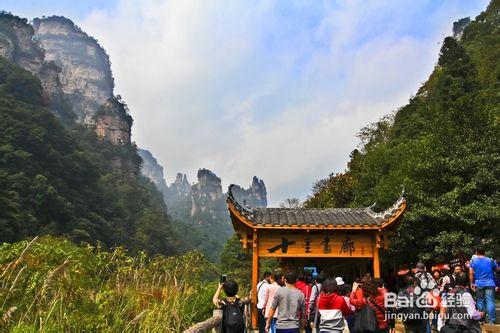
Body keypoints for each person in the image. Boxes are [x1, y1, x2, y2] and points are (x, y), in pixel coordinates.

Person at [469, 248, 498, 324]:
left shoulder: (473, 261)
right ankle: (492, 320)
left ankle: (482, 319)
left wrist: (471, 283)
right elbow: (497, 269)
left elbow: (471, 273)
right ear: (484, 252)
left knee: (480, 301)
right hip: (490, 283)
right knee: (490, 301)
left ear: (476, 252)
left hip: (479, 283)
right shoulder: (490, 260)